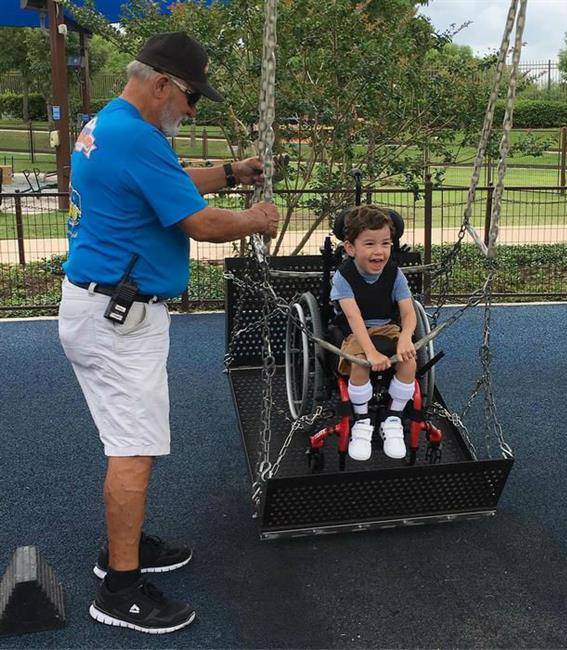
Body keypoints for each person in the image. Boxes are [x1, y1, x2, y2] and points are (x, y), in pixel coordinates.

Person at [57, 31, 279, 634]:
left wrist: (231, 171)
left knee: (133, 441)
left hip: (104, 308)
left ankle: (123, 550)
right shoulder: (136, 138)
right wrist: (256, 218)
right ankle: (121, 588)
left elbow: (168, 184)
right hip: (117, 321)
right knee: (134, 448)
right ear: (162, 85)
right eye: (191, 99)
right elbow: (200, 224)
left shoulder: (109, 125)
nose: (192, 110)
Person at [330, 205, 417, 462]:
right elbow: (354, 318)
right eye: (369, 244)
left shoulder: (394, 273)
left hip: (388, 327)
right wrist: (370, 352)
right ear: (350, 248)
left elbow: (409, 313)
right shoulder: (343, 276)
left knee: (409, 362)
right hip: (356, 330)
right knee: (361, 364)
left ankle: (393, 417)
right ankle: (362, 420)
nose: (379, 251)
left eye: (386, 244)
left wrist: (404, 339)